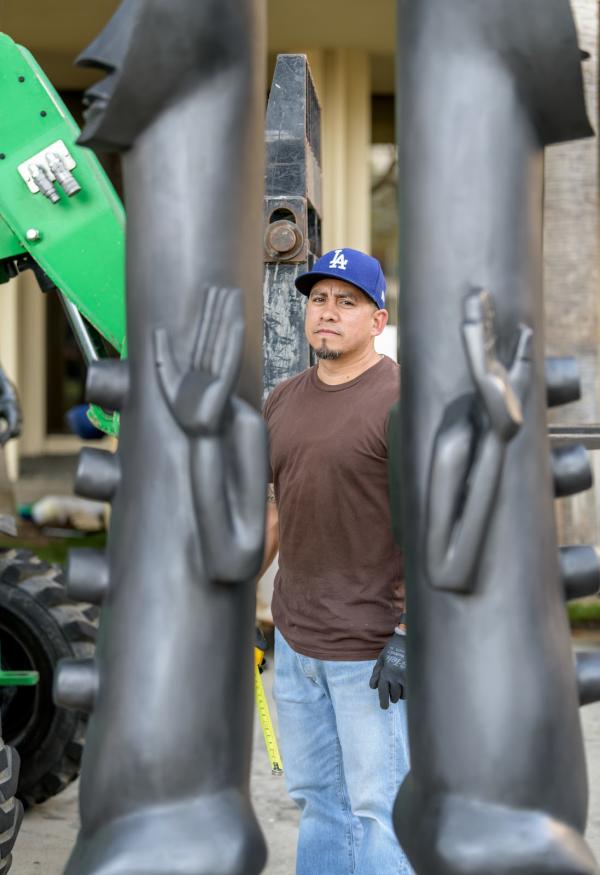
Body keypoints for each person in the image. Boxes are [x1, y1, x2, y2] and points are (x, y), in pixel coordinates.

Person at [262, 247, 411, 875]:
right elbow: (274, 511)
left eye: (347, 301)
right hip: (297, 644)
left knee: (381, 808)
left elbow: (439, 528)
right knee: (319, 801)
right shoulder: (282, 401)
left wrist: (408, 633)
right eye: (319, 299)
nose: (328, 312)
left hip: (373, 650)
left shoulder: (403, 400)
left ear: (377, 320)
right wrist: (242, 603)